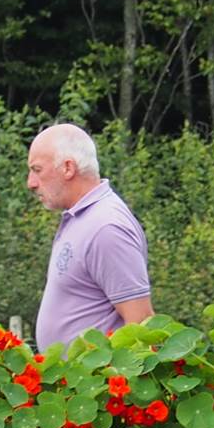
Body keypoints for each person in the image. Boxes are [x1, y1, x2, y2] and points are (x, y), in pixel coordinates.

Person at [27, 123, 153, 350]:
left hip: (97, 382)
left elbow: (141, 323)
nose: (31, 183)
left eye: (37, 170)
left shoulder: (106, 227)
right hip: (75, 381)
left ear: (68, 168)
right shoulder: (82, 218)